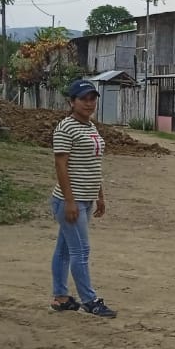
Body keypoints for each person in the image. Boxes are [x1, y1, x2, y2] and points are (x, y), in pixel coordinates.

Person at [49, 78, 117, 318]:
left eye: (92, 99)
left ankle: (61, 297)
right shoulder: (66, 128)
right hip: (71, 200)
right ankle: (90, 300)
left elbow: (92, 165)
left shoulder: (90, 127)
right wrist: (69, 202)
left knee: (65, 250)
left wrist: (100, 196)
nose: (89, 104)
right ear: (72, 102)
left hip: (85, 199)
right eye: (83, 99)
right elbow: (61, 165)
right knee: (81, 251)